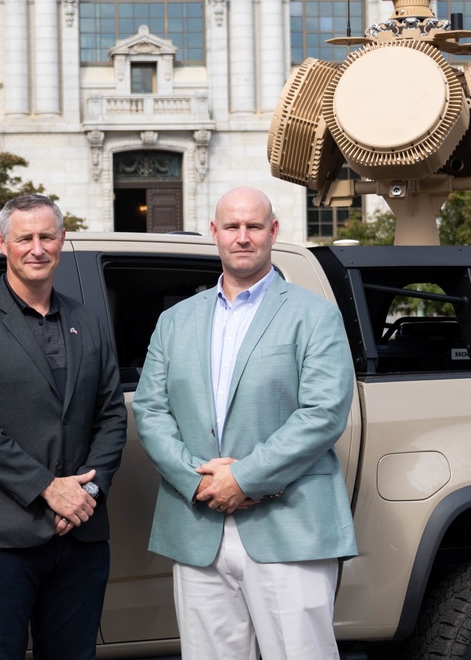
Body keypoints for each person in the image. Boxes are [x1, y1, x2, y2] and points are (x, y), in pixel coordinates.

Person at [132, 186, 357, 660]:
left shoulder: (314, 314)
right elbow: (150, 410)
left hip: (288, 522)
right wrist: (197, 482)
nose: (242, 237)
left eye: (253, 226)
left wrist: (244, 477)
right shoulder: (174, 321)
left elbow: (323, 412)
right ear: (214, 233)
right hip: (198, 523)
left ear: (273, 231)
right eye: (231, 227)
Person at [0, 193, 127, 660]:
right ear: (3, 243)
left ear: (62, 240)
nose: (37, 248)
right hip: (0, 533)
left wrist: (87, 494)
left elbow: (111, 417)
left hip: (81, 533)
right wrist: (48, 488)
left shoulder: (89, 322)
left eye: (47, 236)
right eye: (25, 238)